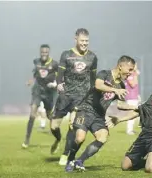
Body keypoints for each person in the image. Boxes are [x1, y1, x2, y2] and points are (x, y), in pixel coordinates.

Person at [65, 55, 136, 172]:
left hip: (99, 116)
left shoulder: (121, 85)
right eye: (130, 69)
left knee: (102, 137)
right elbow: (98, 85)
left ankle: (79, 161)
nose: (131, 73)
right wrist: (114, 90)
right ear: (120, 66)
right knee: (80, 138)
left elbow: (120, 105)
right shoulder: (104, 74)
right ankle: (70, 159)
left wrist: (136, 107)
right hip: (86, 109)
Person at [50, 28, 98, 166]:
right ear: (75, 39)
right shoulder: (66, 55)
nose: (84, 43)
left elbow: (93, 79)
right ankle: (58, 139)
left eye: (87, 41)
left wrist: (93, 94)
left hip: (81, 97)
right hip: (65, 96)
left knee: (73, 126)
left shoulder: (93, 57)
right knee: (54, 126)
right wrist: (59, 83)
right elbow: (60, 74)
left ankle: (65, 154)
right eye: (82, 41)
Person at [22, 44, 58, 148]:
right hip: (37, 91)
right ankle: (27, 140)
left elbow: (60, 75)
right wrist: (30, 81)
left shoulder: (54, 64)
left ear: (49, 53)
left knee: (50, 115)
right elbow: (35, 74)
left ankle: (57, 137)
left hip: (48, 92)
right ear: (40, 52)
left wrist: (55, 84)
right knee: (32, 114)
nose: (44, 54)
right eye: (42, 52)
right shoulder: (36, 62)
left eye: (46, 52)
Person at [125, 64, 140, 135]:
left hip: (134, 97)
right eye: (135, 66)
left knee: (134, 114)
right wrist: (136, 75)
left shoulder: (133, 74)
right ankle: (129, 130)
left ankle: (131, 129)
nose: (137, 67)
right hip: (131, 97)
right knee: (131, 114)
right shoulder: (130, 75)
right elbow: (133, 84)